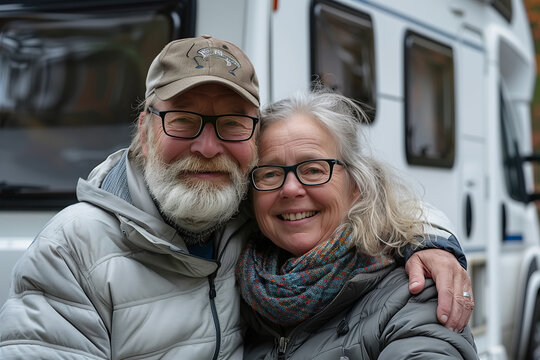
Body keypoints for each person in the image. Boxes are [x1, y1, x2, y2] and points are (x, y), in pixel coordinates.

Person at [0, 35, 471, 359]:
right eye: (182, 120)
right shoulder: (74, 249)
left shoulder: (244, 219)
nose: (208, 148)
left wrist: (431, 240)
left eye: (232, 124)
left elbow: (352, 205)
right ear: (144, 130)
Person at [236, 89, 477, 359]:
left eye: (314, 169)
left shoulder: (414, 293)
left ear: (356, 186)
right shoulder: (236, 293)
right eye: (270, 173)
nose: (290, 189)